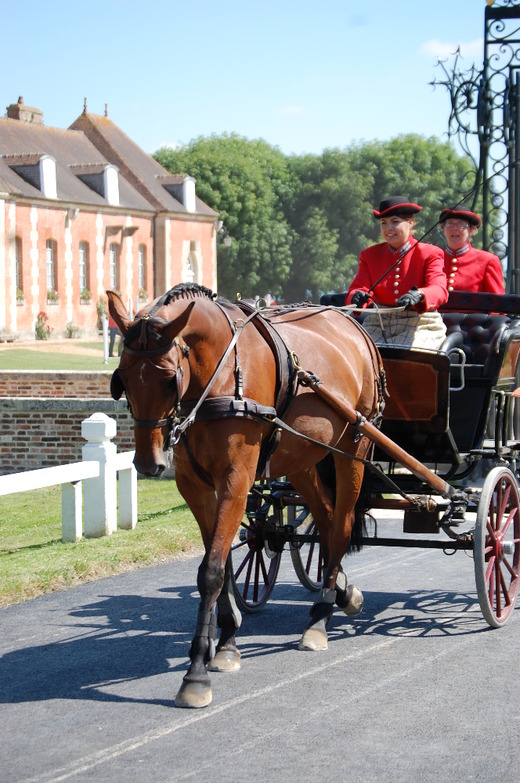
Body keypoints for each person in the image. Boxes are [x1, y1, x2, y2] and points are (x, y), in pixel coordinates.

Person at [346, 195, 448, 349]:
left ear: (411, 222)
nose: (388, 228)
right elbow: (359, 287)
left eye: (395, 221)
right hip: (379, 322)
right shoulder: (369, 255)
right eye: (383, 223)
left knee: (410, 354)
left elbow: (439, 289)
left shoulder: (430, 253)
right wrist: (356, 296)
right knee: (356, 352)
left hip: (420, 322)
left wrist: (420, 294)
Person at [438, 208, 505, 294]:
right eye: (450, 223)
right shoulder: (434, 259)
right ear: (443, 229)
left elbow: (496, 303)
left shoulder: (487, 261)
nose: (454, 228)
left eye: (461, 224)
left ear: (471, 230)